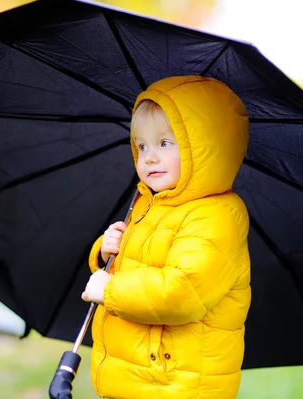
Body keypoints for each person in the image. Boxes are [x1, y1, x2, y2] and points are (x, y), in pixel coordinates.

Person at [81, 75, 251, 399]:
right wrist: (105, 252)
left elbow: (182, 291)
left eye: (165, 143)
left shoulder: (216, 216)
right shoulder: (147, 203)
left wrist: (111, 290)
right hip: (135, 377)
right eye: (141, 145)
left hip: (176, 385)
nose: (149, 157)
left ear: (205, 147)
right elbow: (136, 264)